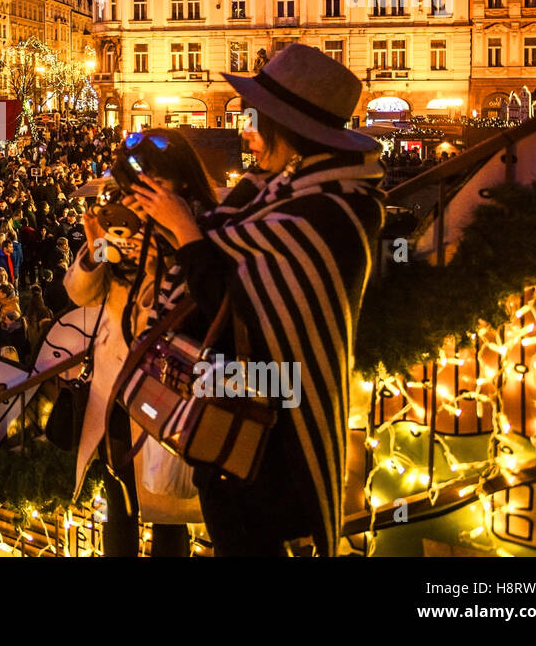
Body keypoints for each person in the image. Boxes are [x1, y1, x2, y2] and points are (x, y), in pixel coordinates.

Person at [130, 44, 387, 556]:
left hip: (263, 441)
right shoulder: (276, 192)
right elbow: (229, 259)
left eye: (256, 119)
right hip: (236, 425)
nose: (245, 130)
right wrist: (177, 235)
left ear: (289, 130)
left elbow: (233, 306)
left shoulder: (325, 211)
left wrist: (186, 232)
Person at [65, 126, 219, 558]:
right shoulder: (126, 228)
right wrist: (98, 249)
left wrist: (166, 253)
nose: (138, 196)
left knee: (168, 508)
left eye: (151, 184)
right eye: (133, 186)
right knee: (120, 500)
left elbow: (205, 309)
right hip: (119, 385)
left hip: (172, 390)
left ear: (180, 180)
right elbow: (79, 293)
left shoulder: (202, 231)